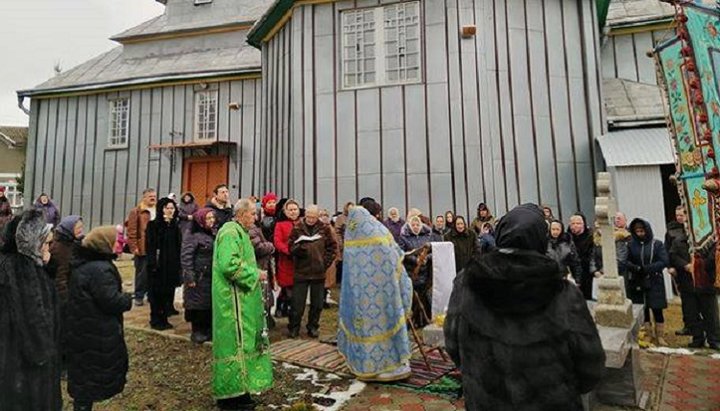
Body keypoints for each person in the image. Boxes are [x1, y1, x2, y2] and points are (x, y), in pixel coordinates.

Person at [444, 204, 606, 410]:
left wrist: (481, 376)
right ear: (541, 238)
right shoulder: (561, 290)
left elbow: (452, 344)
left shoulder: (466, 283)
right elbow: (590, 362)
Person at [338, 205, 413, 382]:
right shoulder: (379, 232)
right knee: (386, 324)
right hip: (383, 294)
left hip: (358, 297)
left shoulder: (351, 236)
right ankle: (389, 365)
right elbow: (395, 256)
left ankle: (364, 364)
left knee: (362, 327)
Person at [212, 198, 273, 410]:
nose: (255, 218)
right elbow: (229, 265)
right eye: (252, 214)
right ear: (241, 214)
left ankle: (240, 391)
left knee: (243, 343)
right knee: (234, 344)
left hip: (240, 299)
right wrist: (255, 274)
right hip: (231, 301)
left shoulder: (239, 231)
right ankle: (230, 397)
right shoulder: (230, 232)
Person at [0, 210, 62, 411]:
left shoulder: (18, 264)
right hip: (25, 368)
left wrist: (48, 262)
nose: (48, 249)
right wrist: (45, 355)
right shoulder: (22, 271)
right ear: (32, 244)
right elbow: (33, 320)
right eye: (45, 244)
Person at [66, 226, 133, 411]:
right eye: (116, 240)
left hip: (82, 328)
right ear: (105, 244)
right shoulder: (100, 269)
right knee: (91, 376)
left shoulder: (83, 264)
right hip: (95, 330)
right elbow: (110, 300)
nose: (119, 243)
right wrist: (127, 299)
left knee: (82, 377)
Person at [288, 205, 337, 338]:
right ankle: (294, 327)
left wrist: (324, 263)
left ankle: (313, 326)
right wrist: (298, 250)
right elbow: (290, 246)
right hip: (301, 271)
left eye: (313, 217)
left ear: (317, 216)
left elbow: (332, 247)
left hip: (318, 272)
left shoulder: (325, 228)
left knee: (317, 304)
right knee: (297, 304)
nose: (310, 220)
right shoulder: (297, 227)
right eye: (308, 217)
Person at [47, 215, 84, 372]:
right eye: (78, 228)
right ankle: (62, 366)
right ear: (69, 230)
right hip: (61, 297)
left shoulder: (72, 243)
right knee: (62, 332)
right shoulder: (60, 248)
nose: (81, 231)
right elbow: (60, 277)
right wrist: (65, 299)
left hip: (70, 293)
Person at [670, 236, 720, 350]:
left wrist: (698, 265)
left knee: (710, 314)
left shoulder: (710, 240)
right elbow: (673, 256)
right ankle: (698, 338)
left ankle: (714, 339)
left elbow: (713, 258)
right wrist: (685, 265)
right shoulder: (679, 241)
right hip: (687, 283)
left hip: (705, 282)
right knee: (692, 314)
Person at [626, 218, 669, 346]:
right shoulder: (631, 245)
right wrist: (636, 268)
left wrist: (647, 269)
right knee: (643, 308)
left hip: (654, 279)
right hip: (638, 279)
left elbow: (664, 261)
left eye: (642, 231)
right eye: (637, 231)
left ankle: (660, 335)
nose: (640, 233)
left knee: (657, 308)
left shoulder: (657, 244)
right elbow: (626, 261)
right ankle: (647, 334)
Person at [145, 197, 182, 330]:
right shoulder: (153, 225)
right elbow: (151, 245)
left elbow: (178, 245)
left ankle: (164, 317)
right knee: (157, 294)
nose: (170, 211)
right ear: (161, 209)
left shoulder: (175, 226)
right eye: (167, 208)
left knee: (167, 292)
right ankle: (156, 319)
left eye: (172, 208)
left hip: (171, 265)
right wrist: (153, 264)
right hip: (158, 265)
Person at [181, 208, 217, 343]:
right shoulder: (192, 235)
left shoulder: (213, 233)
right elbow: (186, 256)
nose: (211, 221)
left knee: (207, 304)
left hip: (210, 275)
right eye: (208, 218)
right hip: (198, 276)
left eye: (212, 218)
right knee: (197, 304)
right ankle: (197, 331)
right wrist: (190, 276)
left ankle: (208, 330)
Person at [399, 215, 435, 328]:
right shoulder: (404, 237)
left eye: (417, 225)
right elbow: (402, 252)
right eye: (413, 225)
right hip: (411, 272)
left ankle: (424, 320)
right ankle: (411, 322)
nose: (415, 227)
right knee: (412, 297)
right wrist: (416, 260)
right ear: (409, 226)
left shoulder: (427, 236)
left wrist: (426, 258)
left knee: (424, 296)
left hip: (425, 272)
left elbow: (433, 251)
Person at [665, 206, 694, 336]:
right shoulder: (671, 231)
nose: (679, 218)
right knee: (686, 300)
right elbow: (667, 251)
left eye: (681, 215)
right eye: (677, 215)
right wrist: (670, 267)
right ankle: (688, 324)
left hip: (695, 269)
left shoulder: (695, 229)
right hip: (680, 270)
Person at [126, 188, 157, 306]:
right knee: (142, 274)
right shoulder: (136, 211)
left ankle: (151, 295)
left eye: (154, 196)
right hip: (143, 247)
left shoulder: (158, 210)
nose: (153, 198)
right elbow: (131, 231)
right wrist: (134, 247)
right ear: (144, 198)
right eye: (150, 196)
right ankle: (139, 295)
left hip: (156, 247)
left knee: (154, 272)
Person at [248, 211, 276, 329]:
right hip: (258, 266)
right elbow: (258, 248)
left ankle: (267, 319)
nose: (255, 216)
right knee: (262, 294)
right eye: (252, 213)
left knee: (267, 293)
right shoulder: (251, 229)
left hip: (264, 265)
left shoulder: (256, 228)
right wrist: (270, 246)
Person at [273, 199, 300, 318]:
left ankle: (289, 308)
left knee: (295, 288)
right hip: (286, 261)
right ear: (285, 211)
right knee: (286, 287)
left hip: (300, 261)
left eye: (295, 209)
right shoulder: (280, 225)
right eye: (290, 210)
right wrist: (288, 251)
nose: (293, 212)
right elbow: (277, 241)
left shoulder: (302, 223)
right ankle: (281, 306)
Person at [568, 213, 596, 300]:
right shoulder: (567, 238)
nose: (575, 226)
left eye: (578, 223)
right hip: (572, 273)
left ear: (584, 224)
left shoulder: (591, 237)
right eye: (573, 223)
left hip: (587, 272)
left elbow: (593, 255)